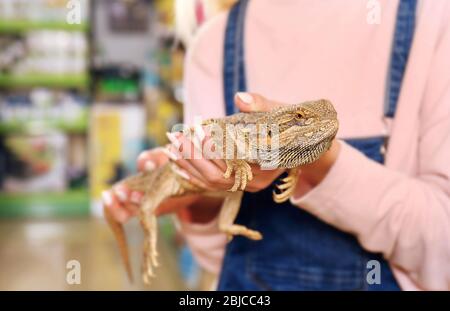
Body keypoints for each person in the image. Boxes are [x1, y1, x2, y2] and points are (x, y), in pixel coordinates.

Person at [102, 0, 450, 290]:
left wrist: (317, 161)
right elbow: (220, 258)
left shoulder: (433, 20)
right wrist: (196, 196)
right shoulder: (213, 44)